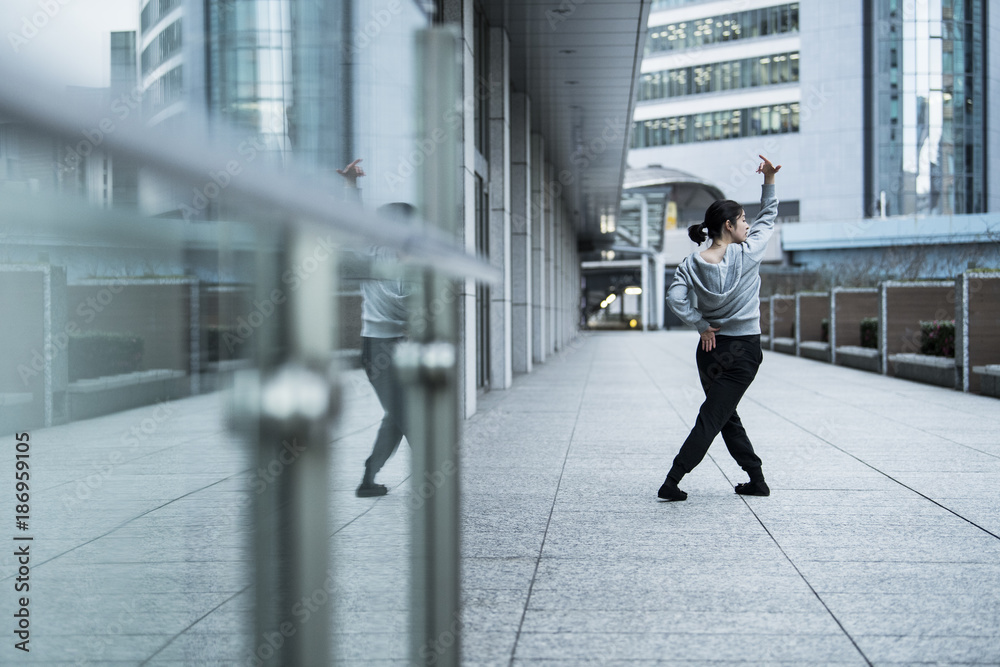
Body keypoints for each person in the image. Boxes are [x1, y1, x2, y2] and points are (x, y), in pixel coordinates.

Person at [657, 154, 781, 502]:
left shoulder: (690, 264)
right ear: (728, 225)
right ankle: (672, 480)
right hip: (744, 352)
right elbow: (768, 218)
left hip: (711, 349)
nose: (747, 225)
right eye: (742, 220)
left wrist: (701, 324)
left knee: (724, 415)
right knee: (714, 417)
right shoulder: (748, 253)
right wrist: (769, 181)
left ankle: (756, 479)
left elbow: (674, 299)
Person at [338, 159, 415, 497]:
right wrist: (351, 186)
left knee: (397, 415)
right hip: (377, 348)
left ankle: (368, 478)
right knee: (406, 416)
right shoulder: (373, 254)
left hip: (402, 346)